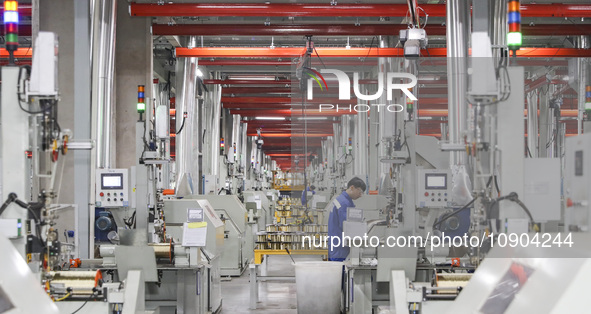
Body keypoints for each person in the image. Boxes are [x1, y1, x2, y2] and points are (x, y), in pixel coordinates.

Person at [328, 177, 366, 261]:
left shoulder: (340, 199)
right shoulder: (344, 203)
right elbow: (347, 227)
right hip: (340, 247)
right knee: (340, 271)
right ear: (352, 187)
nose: (360, 195)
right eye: (360, 192)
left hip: (335, 244)